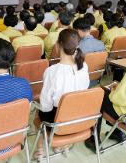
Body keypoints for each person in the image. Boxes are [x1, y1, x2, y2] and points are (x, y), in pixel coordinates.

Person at [34, 29, 89, 159]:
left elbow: (46, 106)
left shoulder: (52, 71)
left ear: (58, 45)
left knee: (38, 113)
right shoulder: (83, 66)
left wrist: (38, 102)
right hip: (79, 115)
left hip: (58, 120)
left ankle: (40, 150)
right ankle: (63, 144)